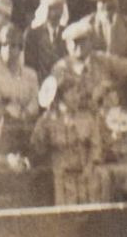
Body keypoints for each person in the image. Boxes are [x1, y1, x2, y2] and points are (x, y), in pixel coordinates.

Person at [29, 77, 108, 206]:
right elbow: (38, 147)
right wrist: (44, 125)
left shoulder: (87, 118)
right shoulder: (47, 120)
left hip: (85, 173)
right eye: (73, 93)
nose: (77, 97)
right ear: (62, 97)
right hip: (60, 175)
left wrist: (89, 166)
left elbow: (96, 146)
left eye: (77, 92)